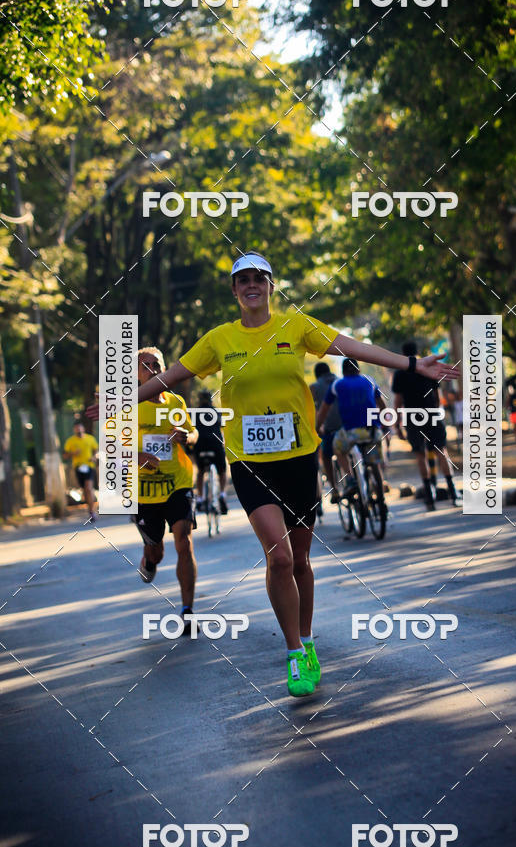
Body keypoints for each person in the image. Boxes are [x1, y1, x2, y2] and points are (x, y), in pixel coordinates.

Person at [135, 252, 460, 697]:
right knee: (280, 558)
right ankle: (293, 653)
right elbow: (170, 376)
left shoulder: (296, 326)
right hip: (250, 463)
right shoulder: (219, 339)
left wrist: (409, 364)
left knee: (302, 561)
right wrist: (120, 400)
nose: (251, 285)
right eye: (242, 280)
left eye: (259, 279)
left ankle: (307, 642)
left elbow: (352, 346)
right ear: (234, 290)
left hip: (299, 458)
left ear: (270, 286)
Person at [134, 347, 199, 633]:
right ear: (135, 373)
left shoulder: (176, 402)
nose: (151, 369)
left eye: (156, 364)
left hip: (178, 482)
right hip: (144, 491)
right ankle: (149, 558)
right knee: (158, 551)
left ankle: (187, 611)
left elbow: (193, 433)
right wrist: (138, 458)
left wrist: (187, 436)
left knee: (183, 540)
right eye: (145, 366)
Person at [392, 341, 461, 511]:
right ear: (417, 352)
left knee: (420, 455)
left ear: (403, 353)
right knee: (441, 451)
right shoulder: (427, 367)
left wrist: (397, 424)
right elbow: (437, 395)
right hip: (431, 413)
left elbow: (398, 401)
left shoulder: (400, 373)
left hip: (412, 416)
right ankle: (453, 492)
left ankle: (429, 498)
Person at [315, 358, 385, 497]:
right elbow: (382, 405)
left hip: (351, 432)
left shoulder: (337, 384)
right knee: (375, 463)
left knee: (338, 449)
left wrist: (318, 426)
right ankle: (381, 497)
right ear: (358, 369)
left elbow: (323, 410)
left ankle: (350, 478)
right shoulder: (369, 380)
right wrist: (383, 425)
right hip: (373, 431)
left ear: (343, 371)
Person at [192, 388, 229, 515]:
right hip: (215, 446)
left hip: (200, 446)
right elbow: (224, 428)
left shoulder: (194, 413)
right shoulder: (216, 412)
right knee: (223, 471)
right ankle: (223, 495)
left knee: (200, 472)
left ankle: (201, 499)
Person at [310, 362, 342, 504]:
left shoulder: (315, 387)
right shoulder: (341, 381)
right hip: (349, 427)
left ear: (317, 375)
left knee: (327, 457)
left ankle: (334, 489)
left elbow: (311, 410)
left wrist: (317, 427)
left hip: (330, 430)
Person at [63, 422, 98, 521]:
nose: (78, 430)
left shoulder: (90, 438)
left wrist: (94, 457)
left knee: (88, 487)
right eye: (76, 429)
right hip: (78, 467)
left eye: (80, 428)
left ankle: (92, 511)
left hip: (89, 466)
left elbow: (96, 450)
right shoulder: (70, 441)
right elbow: (65, 455)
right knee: (85, 490)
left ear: (83, 429)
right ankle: (89, 509)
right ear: (74, 430)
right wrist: (72, 453)